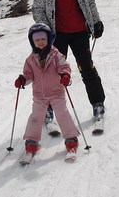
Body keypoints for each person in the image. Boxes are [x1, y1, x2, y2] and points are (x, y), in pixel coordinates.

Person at [32, 0, 106, 131]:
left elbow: (89, 0)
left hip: (80, 32)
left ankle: (98, 104)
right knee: (52, 74)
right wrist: (44, 30)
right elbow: (38, 8)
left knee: (87, 68)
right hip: (57, 35)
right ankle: (48, 111)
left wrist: (96, 21)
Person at [14, 23, 80, 159]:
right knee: (36, 118)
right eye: (37, 40)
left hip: (56, 92)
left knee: (62, 115)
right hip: (39, 96)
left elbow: (64, 66)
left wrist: (65, 75)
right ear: (32, 42)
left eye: (43, 39)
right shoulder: (30, 59)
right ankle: (32, 141)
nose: (40, 42)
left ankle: (71, 139)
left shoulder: (56, 55)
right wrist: (22, 80)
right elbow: (28, 75)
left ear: (49, 39)